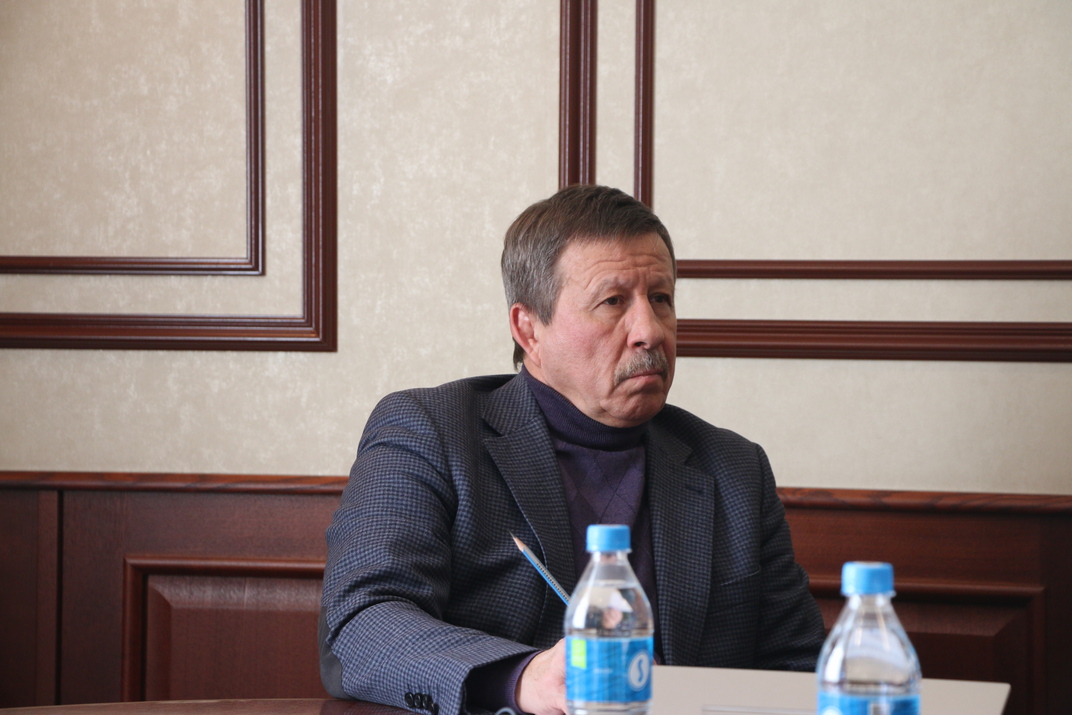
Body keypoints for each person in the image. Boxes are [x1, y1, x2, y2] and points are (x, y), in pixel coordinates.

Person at [319, 185, 825, 715]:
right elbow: (360, 625)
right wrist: (525, 678)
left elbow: (798, 671)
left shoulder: (734, 468)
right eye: (613, 302)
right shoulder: (432, 432)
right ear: (529, 329)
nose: (650, 331)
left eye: (660, 299)